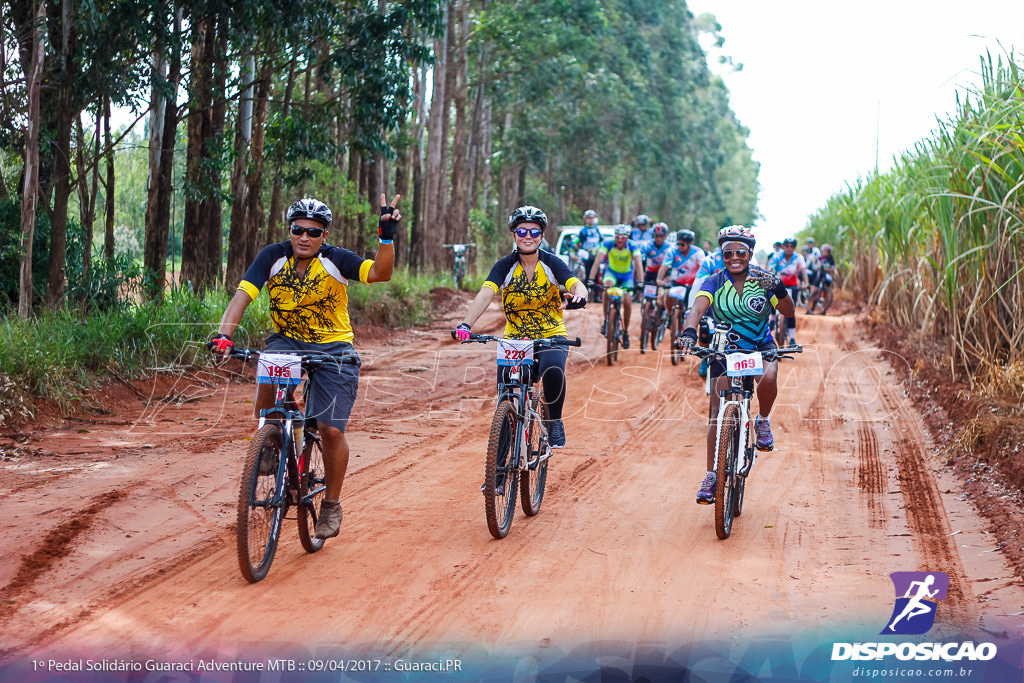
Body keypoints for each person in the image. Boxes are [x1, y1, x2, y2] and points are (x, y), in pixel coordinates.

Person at [210, 195, 401, 540]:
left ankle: (331, 504)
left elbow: (379, 273)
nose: (305, 237)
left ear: (324, 235)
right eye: (298, 229)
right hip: (289, 341)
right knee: (269, 362)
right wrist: (224, 337)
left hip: (334, 348)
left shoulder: (336, 260)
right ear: (290, 229)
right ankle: (269, 440)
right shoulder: (272, 256)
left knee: (330, 431)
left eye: (314, 232)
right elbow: (242, 296)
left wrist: (385, 237)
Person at [677, 225, 795, 505]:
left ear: (750, 253)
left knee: (769, 377)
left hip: (759, 345)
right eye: (727, 252)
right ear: (722, 254)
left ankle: (762, 420)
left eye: (740, 251)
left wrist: (777, 286)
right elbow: (697, 308)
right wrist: (690, 331)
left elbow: (788, 311)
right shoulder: (715, 280)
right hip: (725, 347)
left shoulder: (764, 279)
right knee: (717, 414)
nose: (734, 257)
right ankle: (710, 476)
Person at [452, 206, 588, 449]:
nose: (528, 236)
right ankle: (499, 472)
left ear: (542, 236)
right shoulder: (504, 266)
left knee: (553, 370)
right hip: (515, 339)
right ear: (513, 235)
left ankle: (554, 420)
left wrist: (580, 296)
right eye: (522, 231)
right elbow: (485, 294)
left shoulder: (552, 263)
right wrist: (466, 324)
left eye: (534, 232)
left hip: (551, 335)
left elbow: (575, 284)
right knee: (506, 399)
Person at [588, 224, 643, 349]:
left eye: (623, 238)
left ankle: (625, 332)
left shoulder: (632, 245)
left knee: (628, 300)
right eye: (617, 237)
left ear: (627, 238)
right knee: (607, 287)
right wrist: (591, 279)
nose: (619, 240)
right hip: (611, 273)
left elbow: (639, 264)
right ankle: (606, 321)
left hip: (627, 276)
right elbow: (597, 261)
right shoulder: (608, 243)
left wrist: (640, 282)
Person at [656, 228, 705, 320]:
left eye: (682, 244)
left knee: (690, 307)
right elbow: (664, 266)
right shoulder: (672, 251)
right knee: (668, 294)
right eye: (678, 244)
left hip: (691, 284)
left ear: (689, 244)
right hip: (676, 282)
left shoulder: (698, 252)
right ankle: (670, 315)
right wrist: (659, 279)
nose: (679, 246)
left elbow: (703, 269)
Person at [767, 237, 807, 344]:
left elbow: (803, 270)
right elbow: (770, 267)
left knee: (791, 311)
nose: (789, 248)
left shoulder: (799, 257)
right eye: (787, 246)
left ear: (794, 247)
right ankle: (772, 319)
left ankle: (792, 338)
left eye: (792, 246)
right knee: (773, 302)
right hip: (779, 284)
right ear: (783, 246)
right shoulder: (777, 256)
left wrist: (806, 283)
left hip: (793, 286)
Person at [571, 209, 604, 282]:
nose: (591, 219)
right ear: (585, 219)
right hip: (587, 258)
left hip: (596, 257)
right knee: (587, 276)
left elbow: (601, 241)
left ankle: (596, 292)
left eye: (593, 217)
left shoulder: (596, 230)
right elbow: (575, 241)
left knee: (596, 275)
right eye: (589, 217)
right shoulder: (584, 231)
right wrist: (576, 247)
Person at [806, 243, 836, 313]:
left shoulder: (831, 259)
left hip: (827, 277)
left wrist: (827, 269)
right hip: (819, 276)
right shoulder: (820, 257)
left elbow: (833, 268)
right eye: (823, 251)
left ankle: (823, 309)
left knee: (825, 294)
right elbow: (815, 261)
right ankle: (809, 309)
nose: (824, 252)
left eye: (825, 251)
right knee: (813, 292)